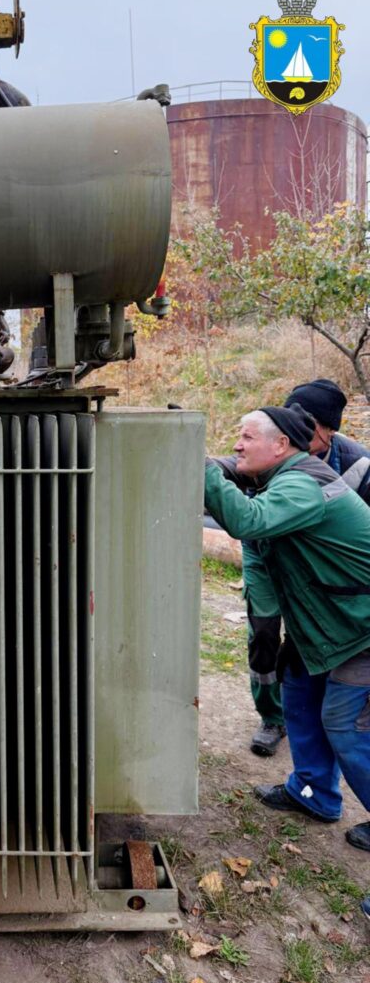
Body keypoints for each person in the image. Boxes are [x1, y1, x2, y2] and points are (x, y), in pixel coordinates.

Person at [205, 403, 370, 922]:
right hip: (323, 624)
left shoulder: (302, 484)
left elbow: (246, 520)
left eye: (246, 437)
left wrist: (200, 470)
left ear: (281, 446)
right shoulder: (279, 477)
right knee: (297, 694)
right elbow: (237, 485)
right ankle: (314, 793)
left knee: (345, 726)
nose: (237, 444)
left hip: (361, 628)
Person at [232, 379, 370, 757]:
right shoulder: (273, 448)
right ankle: (271, 716)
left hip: (323, 571)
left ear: (329, 431)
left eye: (309, 423)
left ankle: (328, 723)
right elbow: (245, 498)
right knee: (263, 632)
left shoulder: (358, 466)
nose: (298, 427)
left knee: (317, 643)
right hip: (266, 553)